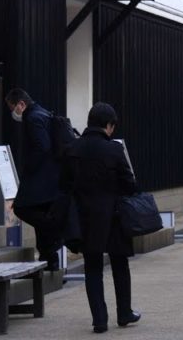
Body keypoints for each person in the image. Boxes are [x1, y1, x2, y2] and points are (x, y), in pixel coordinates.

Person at [60, 102, 138, 334]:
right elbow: (129, 184)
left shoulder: (72, 149)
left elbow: (64, 185)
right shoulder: (114, 149)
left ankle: (99, 320)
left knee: (92, 268)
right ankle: (124, 313)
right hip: (113, 216)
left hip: (85, 218)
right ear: (109, 125)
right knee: (119, 264)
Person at [5, 88, 62, 271]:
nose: (13, 112)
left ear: (21, 104)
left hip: (40, 178)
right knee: (39, 214)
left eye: (13, 107)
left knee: (21, 208)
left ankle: (54, 226)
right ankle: (49, 258)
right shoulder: (43, 113)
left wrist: (29, 168)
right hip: (50, 178)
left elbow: (42, 146)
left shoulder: (33, 118)